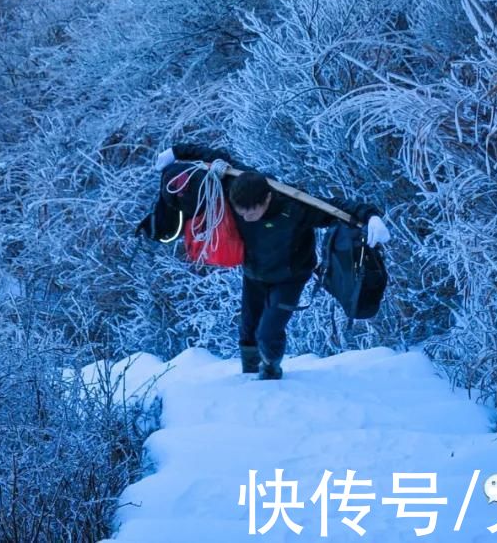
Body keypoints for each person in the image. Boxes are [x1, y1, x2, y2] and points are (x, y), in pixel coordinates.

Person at [154, 143, 390, 381]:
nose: (246, 217)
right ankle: (250, 376)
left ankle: (270, 374)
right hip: (254, 272)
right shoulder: (238, 181)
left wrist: (371, 216)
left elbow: (336, 208)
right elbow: (214, 156)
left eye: (251, 213)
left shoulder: (295, 205)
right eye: (241, 213)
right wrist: (175, 152)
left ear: (266, 199)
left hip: (290, 277)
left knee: (268, 334)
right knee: (247, 331)